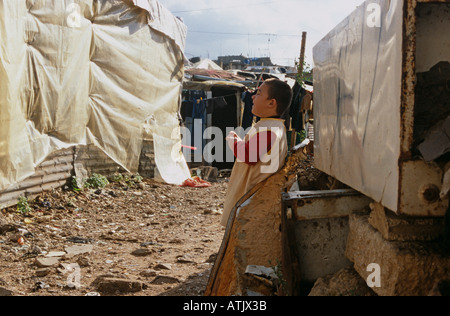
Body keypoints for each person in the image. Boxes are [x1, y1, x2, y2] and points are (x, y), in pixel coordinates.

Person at [221, 78, 293, 226]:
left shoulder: (268, 129)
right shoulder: (274, 126)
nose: (253, 96)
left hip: (252, 191)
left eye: (258, 93)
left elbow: (249, 156)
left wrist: (234, 142)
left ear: (271, 103)